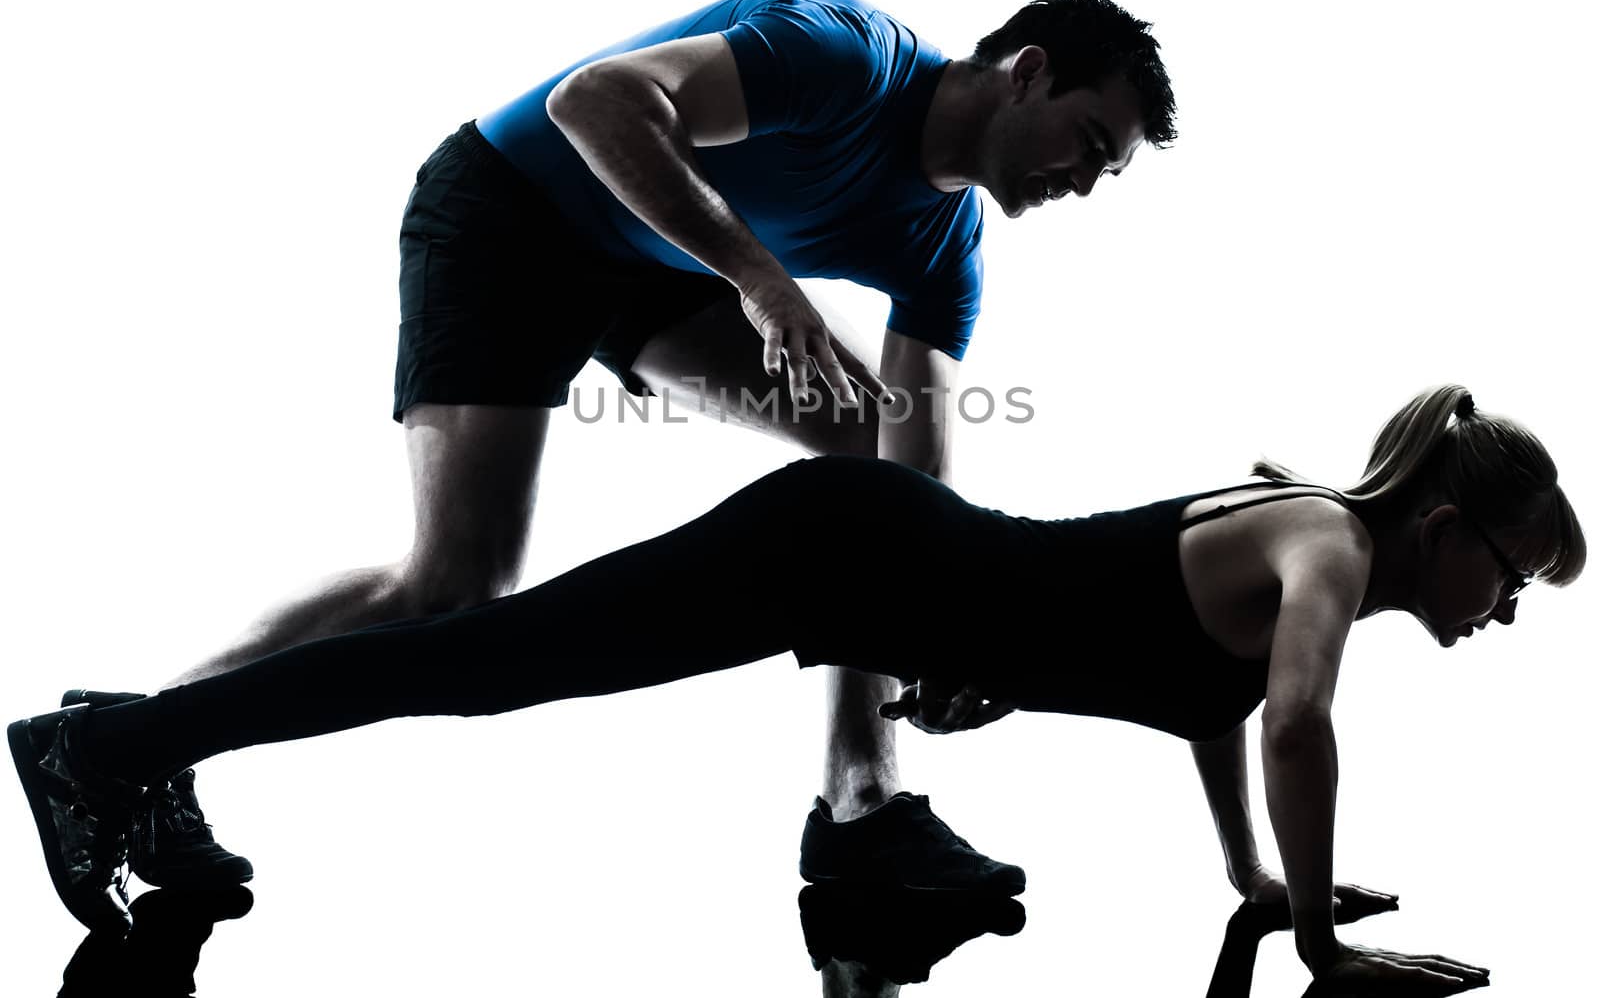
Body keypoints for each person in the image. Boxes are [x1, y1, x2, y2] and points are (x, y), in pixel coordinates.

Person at [76, 0, 1178, 893]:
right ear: (1027, 70)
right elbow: (596, 102)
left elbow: (919, 489)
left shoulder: (945, 243)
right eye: (1088, 140)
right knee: (456, 582)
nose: (1083, 181)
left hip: (647, 268)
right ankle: (132, 739)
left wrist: (957, 632)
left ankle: (861, 801)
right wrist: (758, 279)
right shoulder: (847, 56)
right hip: (510, 213)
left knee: (867, 465)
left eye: (1107, 172)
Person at [12, 384, 1583, 989]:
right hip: (845, 547)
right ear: (1444, 528)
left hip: (872, 567)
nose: (1504, 615)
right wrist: (1315, 947)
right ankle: (107, 747)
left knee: (479, 670)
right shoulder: (1322, 536)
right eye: (1512, 580)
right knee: (476, 663)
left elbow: (1219, 713)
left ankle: (135, 740)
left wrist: (1253, 879)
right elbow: (1296, 718)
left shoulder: (1313, 575)